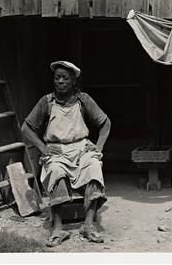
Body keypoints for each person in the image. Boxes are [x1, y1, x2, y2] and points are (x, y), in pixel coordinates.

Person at [21, 61, 111, 246]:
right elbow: (26, 128)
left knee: (94, 167)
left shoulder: (83, 99)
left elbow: (105, 123)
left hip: (81, 148)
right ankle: (58, 228)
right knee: (55, 171)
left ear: (73, 81)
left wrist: (99, 146)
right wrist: (43, 148)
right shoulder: (46, 102)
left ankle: (88, 225)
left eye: (65, 78)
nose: (60, 81)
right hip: (57, 150)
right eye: (57, 78)